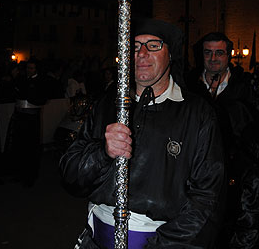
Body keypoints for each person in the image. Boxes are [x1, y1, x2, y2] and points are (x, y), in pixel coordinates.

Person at [60, 18, 226, 249]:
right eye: (135, 47)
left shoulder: (197, 113)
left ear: (171, 55)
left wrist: (161, 245)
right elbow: (70, 175)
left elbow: (207, 199)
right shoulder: (108, 104)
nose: (142, 53)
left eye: (154, 45)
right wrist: (103, 153)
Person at [187, 32, 259, 249]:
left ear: (229, 56)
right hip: (198, 174)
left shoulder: (246, 87)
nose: (213, 58)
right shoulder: (189, 87)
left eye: (219, 53)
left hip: (238, 176)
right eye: (208, 53)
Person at [5, 59, 49, 187]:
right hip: (20, 117)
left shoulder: (41, 82)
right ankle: (18, 173)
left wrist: (28, 94)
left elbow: (41, 99)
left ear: (36, 69)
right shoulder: (22, 79)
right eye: (28, 68)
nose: (29, 70)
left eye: (32, 68)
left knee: (31, 148)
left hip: (31, 120)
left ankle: (30, 177)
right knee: (19, 146)